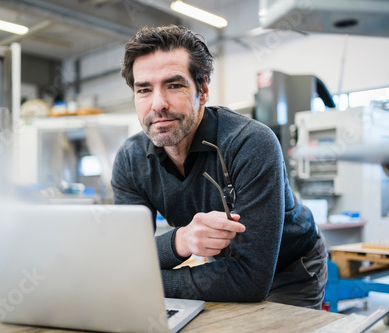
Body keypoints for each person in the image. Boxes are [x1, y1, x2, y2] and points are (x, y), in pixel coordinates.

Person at [111, 25, 328, 309]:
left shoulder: (251, 142)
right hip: (223, 268)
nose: (158, 104)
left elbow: (251, 280)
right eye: (144, 89)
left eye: (174, 85)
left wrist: (143, 280)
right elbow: (128, 256)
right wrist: (180, 241)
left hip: (291, 269)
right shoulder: (131, 158)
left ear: (202, 91)